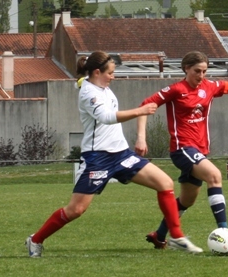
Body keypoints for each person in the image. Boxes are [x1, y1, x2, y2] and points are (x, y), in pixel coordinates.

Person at [25, 51, 203, 258]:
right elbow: (107, 117)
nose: (113, 76)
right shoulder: (89, 93)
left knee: (165, 183)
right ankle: (35, 239)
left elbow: (83, 81)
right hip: (98, 158)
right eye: (110, 73)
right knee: (76, 210)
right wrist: (140, 111)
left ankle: (176, 236)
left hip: (121, 154)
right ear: (98, 72)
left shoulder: (99, 86)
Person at [134, 51, 228, 249]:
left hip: (199, 151)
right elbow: (145, 105)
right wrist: (141, 137)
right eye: (197, 71)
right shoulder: (176, 89)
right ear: (186, 68)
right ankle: (224, 230)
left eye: (204, 71)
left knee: (187, 200)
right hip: (182, 148)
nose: (201, 75)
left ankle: (159, 235)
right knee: (214, 175)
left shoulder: (209, 87)